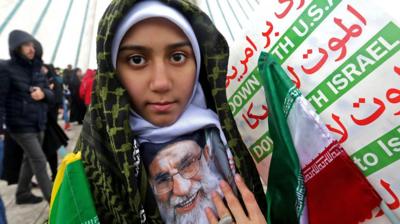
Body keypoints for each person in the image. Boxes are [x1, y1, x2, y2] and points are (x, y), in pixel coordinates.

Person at [52, 0, 267, 223]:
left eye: (177, 57)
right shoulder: (92, 170)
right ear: (112, 70)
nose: (161, 83)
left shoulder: (241, 132)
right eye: (137, 60)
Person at [0, 30, 53, 204]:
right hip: (19, 125)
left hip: (39, 122)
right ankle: (55, 201)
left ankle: (22, 193)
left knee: (29, 160)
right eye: (25, 45)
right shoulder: (7, 69)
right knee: (39, 159)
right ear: (16, 48)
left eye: (32, 44)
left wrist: (43, 93)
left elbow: (52, 96)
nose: (30, 49)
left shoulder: (37, 68)